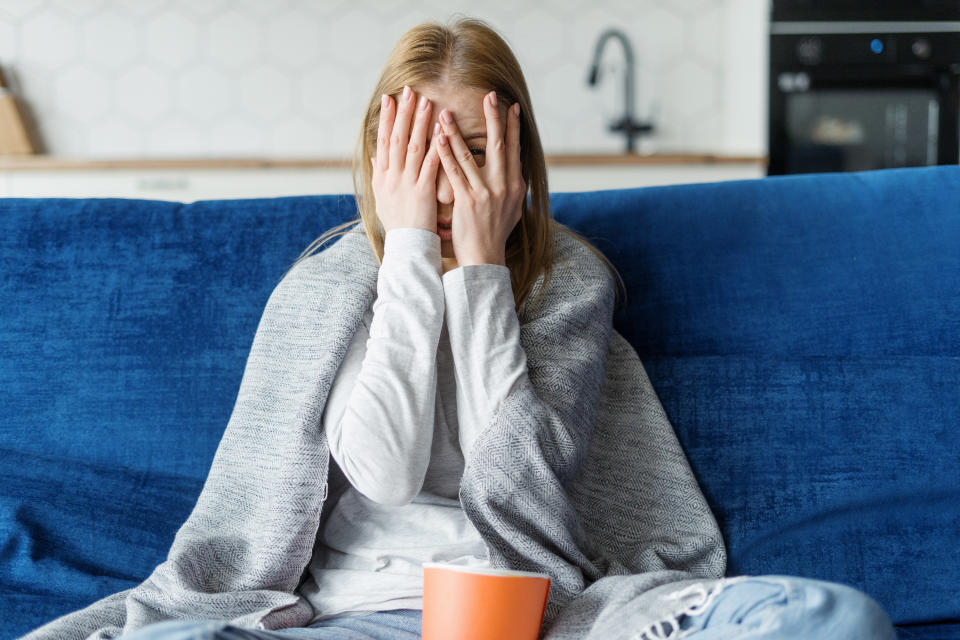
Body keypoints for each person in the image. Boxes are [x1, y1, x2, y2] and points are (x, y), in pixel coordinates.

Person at [71, 15, 896, 640]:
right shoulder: (328, 288)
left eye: (470, 149)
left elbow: (518, 482)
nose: (446, 179)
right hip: (352, 616)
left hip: (532, 613)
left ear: (517, 160)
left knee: (828, 615)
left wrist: (481, 274)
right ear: (378, 157)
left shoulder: (567, 284)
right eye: (420, 152)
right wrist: (409, 259)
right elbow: (386, 475)